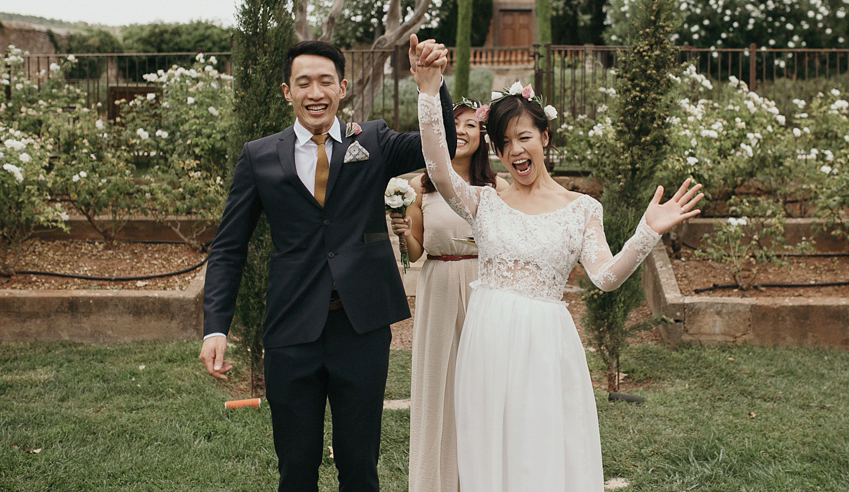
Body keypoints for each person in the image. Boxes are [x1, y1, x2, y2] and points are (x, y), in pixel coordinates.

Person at [412, 64, 704, 492]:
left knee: (539, 451)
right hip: (487, 341)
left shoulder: (582, 209)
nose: (515, 151)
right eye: (504, 142)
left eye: (524, 137)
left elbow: (605, 277)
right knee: (487, 447)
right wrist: (426, 91)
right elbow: (438, 169)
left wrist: (647, 233)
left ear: (545, 137)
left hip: (545, 346)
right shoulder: (484, 201)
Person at [198, 36, 456, 492]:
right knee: (295, 469)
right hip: (291, 330)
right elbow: (228, 247)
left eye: (324, 82)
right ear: (287, 92)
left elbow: (444, 147)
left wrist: (431, 88)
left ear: (342, 87)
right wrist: (215, 327)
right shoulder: (258, 157)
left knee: (360, 466)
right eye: (303, 83)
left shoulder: (372, 140)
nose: (314, 92)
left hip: (361, 329)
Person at [389, 100, 508, 492]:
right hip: (439, 281)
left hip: (484, 285)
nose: (462, 131)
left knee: (484, 383)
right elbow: (416, 252)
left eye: (471, 125)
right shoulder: (421, 187)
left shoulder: (497, 187)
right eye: (453, 123)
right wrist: (402, 230)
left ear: (482, 136)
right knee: (439, 382)